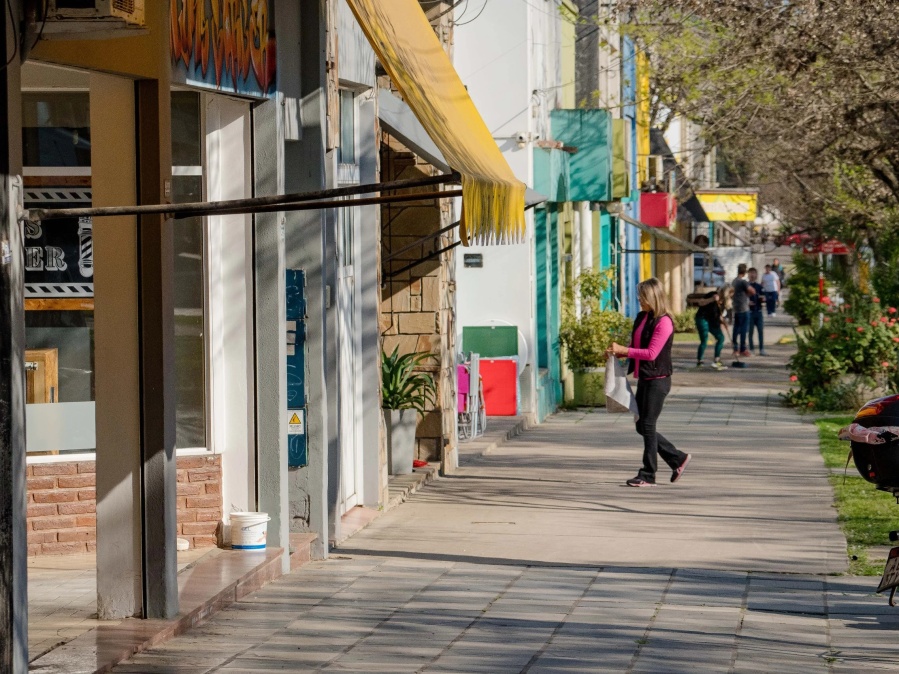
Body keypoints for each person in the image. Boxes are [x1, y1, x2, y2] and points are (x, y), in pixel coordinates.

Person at [607, 278, 691, 488]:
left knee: (647, 424)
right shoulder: (642, 317)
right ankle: (677, 459)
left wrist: (624, 351)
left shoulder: (664, 322)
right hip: (644, 378)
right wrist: (618, 353)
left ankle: (648, 474)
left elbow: (652, 353)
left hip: (658, 381)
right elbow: (636, 345)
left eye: (642, 296)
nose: (639, 299)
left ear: (652, 297)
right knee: (641, 425)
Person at [693, 285, 727, 370]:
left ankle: (717, 359)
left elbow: (719, 315)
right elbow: (700, 303)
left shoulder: (724, 302)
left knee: (721, 338)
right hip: (702, 318)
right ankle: (700, 360)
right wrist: (712, 299)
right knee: (704, 339)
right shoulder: (712, 295)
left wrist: (723, 322)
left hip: (712, 321)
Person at [731, 263, 755, 358]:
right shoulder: (743, 282)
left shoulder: (734, 281)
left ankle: (735, 348)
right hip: (744, 307)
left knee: (736, 329)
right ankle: (743, 349)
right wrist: (747, 294)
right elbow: (752, 290)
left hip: (736, 307)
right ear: (744, 272)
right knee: (744, 329)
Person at [747, 267, 766, 356]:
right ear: (748, 275)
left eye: (754, 273)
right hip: (749, 312)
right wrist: (747, 302)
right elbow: (741, 298)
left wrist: (762, 299)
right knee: (750, 331)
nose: (752, 275)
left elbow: (764, 297)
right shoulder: (746, 286)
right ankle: (751, 349)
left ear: (756, 275)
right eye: (751, 273)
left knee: (760, 331)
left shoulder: (759, 286)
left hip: (758, 311)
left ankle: (761, 349)